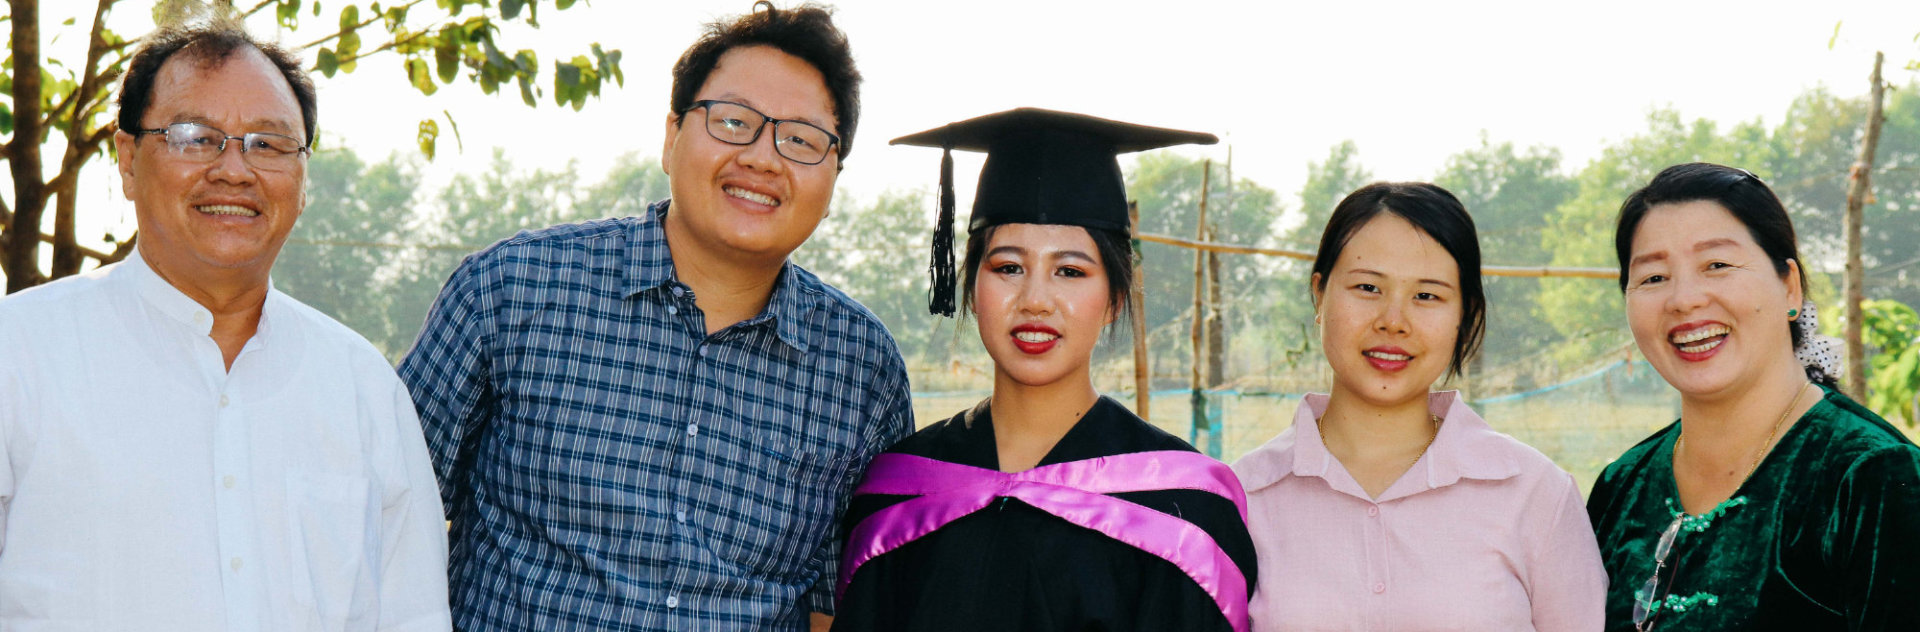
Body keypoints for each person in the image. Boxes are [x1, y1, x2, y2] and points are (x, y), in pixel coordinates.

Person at [398, 3, 910, 630]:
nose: (762, 158)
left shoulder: (861, 369)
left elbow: (841, 605)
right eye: (733, 122)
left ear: (833, 178)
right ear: (671, 136)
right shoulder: (512, 291)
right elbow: (386, 519)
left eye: (801, 140)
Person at [0, 22, 449, 631]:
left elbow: (411, 614)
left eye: (268, 144)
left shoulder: (361, 387)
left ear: (304, 177)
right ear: (128, 158)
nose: (234, 170)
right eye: (195, 137)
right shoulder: (19, 354)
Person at [830, 108, 1258, 632]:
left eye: (1070, 271)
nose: (1035, 299)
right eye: (1008, 267)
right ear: (971, 287)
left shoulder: (1183, 508)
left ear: (1115, 299)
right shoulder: (896, 493)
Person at [1232, 183, 1606, 631]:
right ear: (1319, 294)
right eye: (1368, 287)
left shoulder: (1534, 494)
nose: (1394, 320)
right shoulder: (1243, 497)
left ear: (1463, 314)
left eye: (1427, 295)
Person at [1588, 163, 1920, 631]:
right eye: (1654, 277)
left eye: (1717, 265)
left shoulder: (1872, 477)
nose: (1684, 299)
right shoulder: (1621, 486)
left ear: (1790, 286)